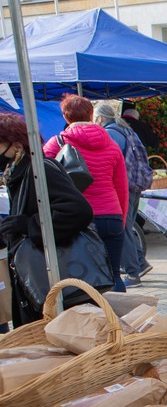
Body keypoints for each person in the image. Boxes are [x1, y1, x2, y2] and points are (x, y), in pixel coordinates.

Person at [0, 113, 94, 325]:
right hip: (37, 277)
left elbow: (78, 211)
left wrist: (27, 224)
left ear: (16, 145)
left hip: (51, 276)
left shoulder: (39, 170)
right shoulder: (19, 171)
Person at [43, 95, 128, 293]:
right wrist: (121, 221)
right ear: (91, 115)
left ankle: (88, 322)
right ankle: (117, 321)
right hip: (111, 216)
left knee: (81, 281)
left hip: (77, 219)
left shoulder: (56, 144)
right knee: (114, 275)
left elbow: (42, 182)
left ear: (65, 117)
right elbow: (122, 188)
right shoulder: (111, 145)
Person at [94, 102, 152, 287]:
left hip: (123, 186)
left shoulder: (110, 133)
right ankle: (140, 263)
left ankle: (133, 273)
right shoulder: (126, 129)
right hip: (135, 185)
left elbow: (111, 162)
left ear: (100, 118)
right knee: (129, 225)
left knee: (124, 228)